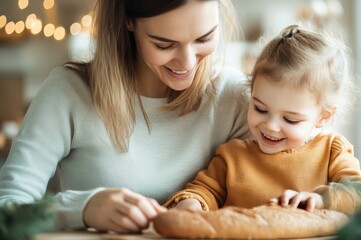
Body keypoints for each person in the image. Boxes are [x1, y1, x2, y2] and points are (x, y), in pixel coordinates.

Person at [0, 0, 251, 233]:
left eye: (204, 38)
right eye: (164, 44)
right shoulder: (68, 92)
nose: (187, 63)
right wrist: (83, 209)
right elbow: (6, 211)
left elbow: (272, 197)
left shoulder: (236, 98)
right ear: (128, 22)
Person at [165, 24, 361, 215]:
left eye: (290, 120)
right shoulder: (232, 157)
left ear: (323, 117)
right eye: (260, 108)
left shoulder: (331, 152)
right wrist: (192, 203)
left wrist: (320, 200)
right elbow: (203, 191)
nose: (271, 126)